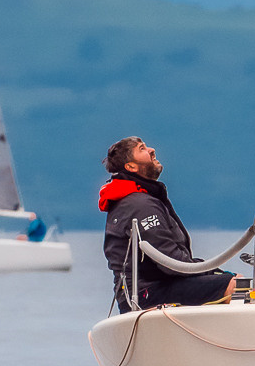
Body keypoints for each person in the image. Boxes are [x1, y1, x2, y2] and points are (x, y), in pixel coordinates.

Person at [99, 134, 236, 312]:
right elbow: (171, 263)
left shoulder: (134, 200)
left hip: (143, 291)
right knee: (235, 285)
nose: (151, 150)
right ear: (131, 166)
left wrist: (211, 272)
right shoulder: (140, 205)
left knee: (225, 280)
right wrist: (215, 273)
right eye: (142, 149)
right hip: (147, 294)